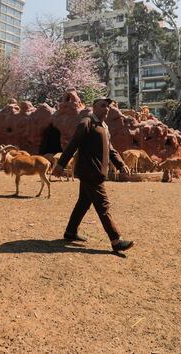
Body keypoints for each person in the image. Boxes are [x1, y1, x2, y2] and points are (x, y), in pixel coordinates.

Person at [52, 98, 134, 253]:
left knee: (83, 202)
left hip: (95, 172)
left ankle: (70, 232)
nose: (106, 108)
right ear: (94, 107)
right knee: (103, 205)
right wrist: (61, 164)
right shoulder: (87, 122)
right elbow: (73, 143)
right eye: (103, 105)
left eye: (108, 106)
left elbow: (110, 150)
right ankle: (116, 240)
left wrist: (121, 164)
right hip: (91, 172)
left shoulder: (103, 126)